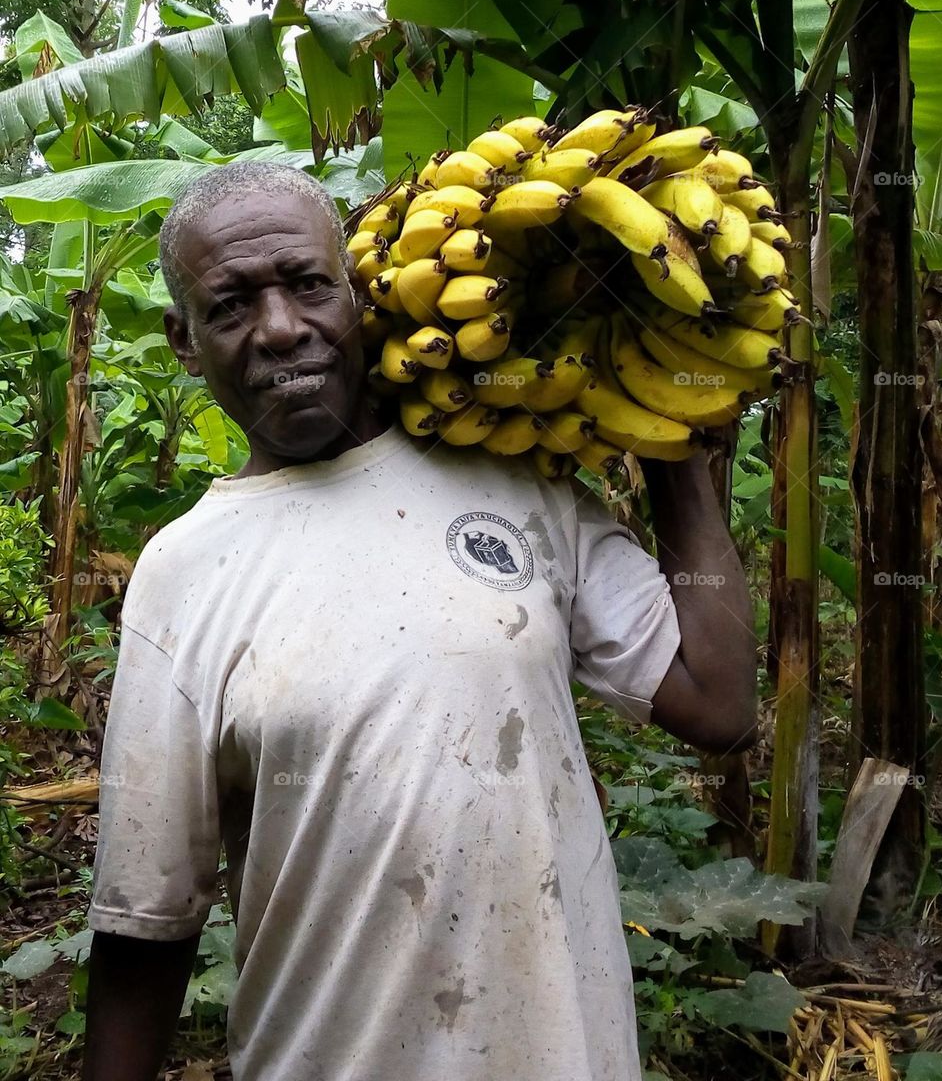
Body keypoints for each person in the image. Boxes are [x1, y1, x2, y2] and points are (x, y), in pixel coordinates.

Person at [82, 161, 757, 1081]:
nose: (282, 330)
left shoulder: (515, 480)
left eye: (309, 285)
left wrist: (672, 438)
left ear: (359, 293)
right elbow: (144, 927)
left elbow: (717, 703)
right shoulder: (181, 574)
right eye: (232, 306)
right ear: (183, 341)